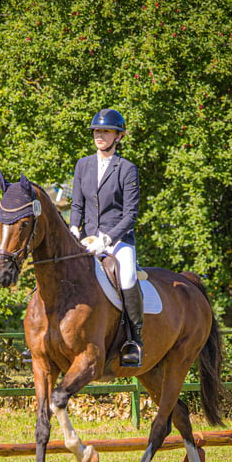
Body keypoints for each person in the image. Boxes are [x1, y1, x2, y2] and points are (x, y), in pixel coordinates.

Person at [70, 108, 144, 367]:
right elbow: (77, 204)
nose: (99, 135)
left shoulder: (127, 169)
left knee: (127, 275)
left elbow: (130, 215)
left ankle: (134, 340)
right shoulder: (83, 164)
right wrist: (73, 229)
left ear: (118, 136)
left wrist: (108, 239)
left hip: (119, 239)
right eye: (97, 131)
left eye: (105, 131)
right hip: (87, 239)